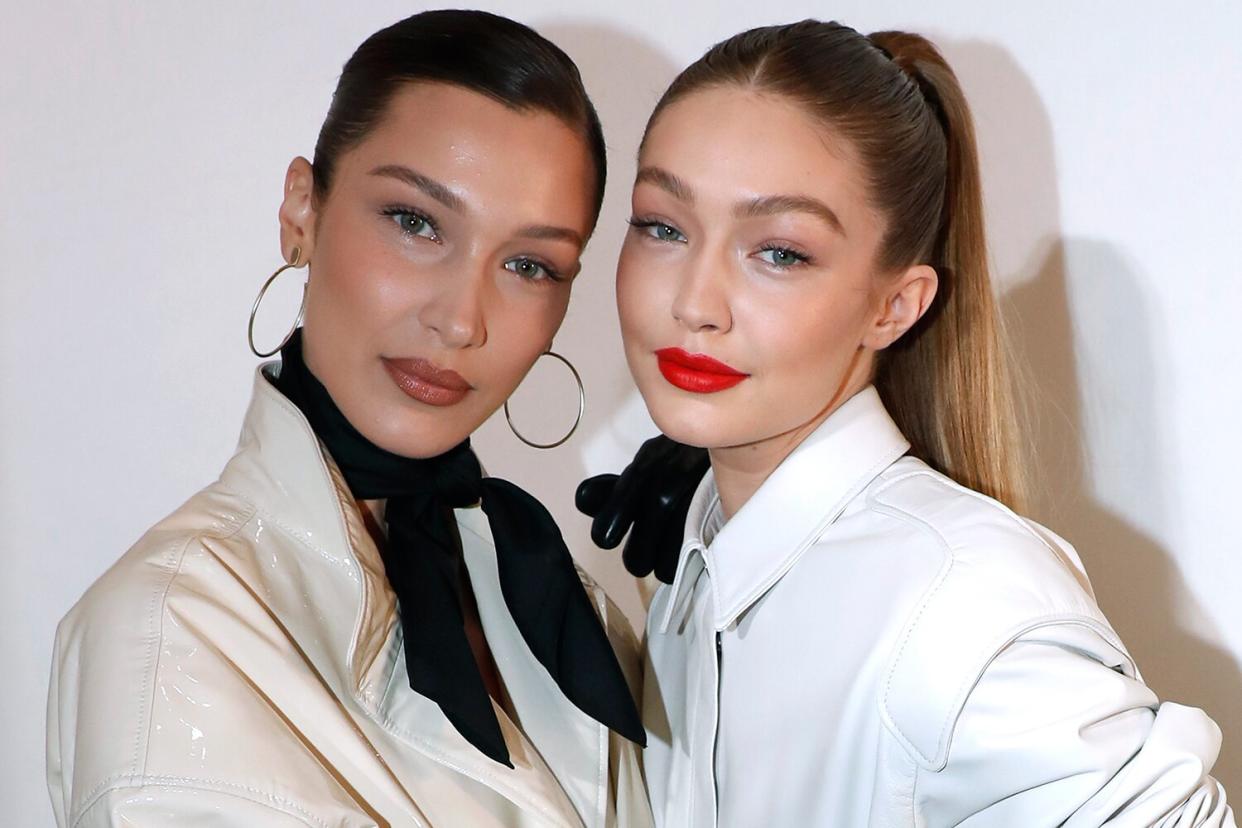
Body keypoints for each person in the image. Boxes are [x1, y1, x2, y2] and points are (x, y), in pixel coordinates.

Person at [591, 19, 1234, 827]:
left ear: (896, 306)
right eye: (663, 227)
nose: (692, 301)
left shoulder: (963, 604)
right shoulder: (702, 562)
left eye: (780, 252)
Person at [46, 11, 658, 827]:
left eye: (527, 264)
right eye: (416, 222)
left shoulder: (563, 609)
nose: (461, 320)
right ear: (303, 210)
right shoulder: (173, 630)